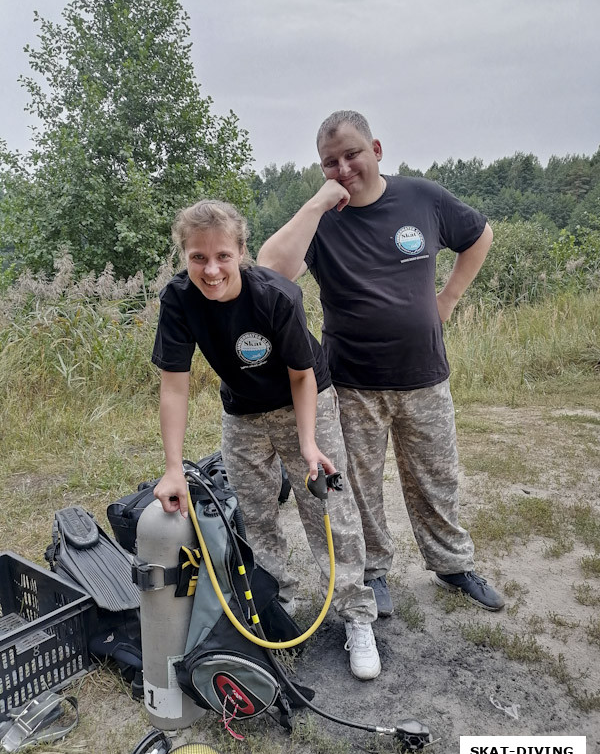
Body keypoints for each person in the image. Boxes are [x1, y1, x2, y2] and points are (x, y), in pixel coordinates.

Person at [258, 110, 505, 615]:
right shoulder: (323, 221)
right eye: (330, 162)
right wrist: (318, 204)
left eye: (351, 154)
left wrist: (449, 298)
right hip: (352, 382)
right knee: (360, 486)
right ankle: (374, 573)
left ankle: (453, 564)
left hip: (424, 376)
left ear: (376, 149)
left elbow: (479, 234)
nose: (343, 168)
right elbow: (271, 269)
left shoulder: (423, 198)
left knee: (437, 477)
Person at [151, 198, 381, 680]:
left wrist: (308, 444)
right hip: (242, 412)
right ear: (184, 255)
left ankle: (357, 616)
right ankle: (276, 602)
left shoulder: (275, 296)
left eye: (222, 256)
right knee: (255, 512)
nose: (210, 269)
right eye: (198, 257)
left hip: (305, 400)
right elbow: (174, 384)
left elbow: (302, 376)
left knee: (326, 509)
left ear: (241, 252)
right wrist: (174, 468)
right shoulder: (178, 299)